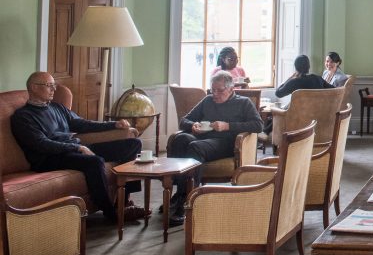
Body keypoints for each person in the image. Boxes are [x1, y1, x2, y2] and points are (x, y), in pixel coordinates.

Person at [11, 71, 146, 222]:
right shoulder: (22, 117)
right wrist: (76, 148)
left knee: (133, 145)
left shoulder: (57, 108)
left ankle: (123, 201)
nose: (53, 89)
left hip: (75, 149)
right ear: (34, 87)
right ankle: (111, 214)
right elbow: (42, 144)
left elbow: (82, 124)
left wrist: (114, 124)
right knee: (95, 161)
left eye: (53, 85)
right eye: (49, 86)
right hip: (49, 159)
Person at [166, 71, 263, 225]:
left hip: (226, 142)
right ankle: (180, 192)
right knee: (180, 139)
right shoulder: (208, 100)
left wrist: (227, 126)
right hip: (203, 138)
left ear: (231, 89)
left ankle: (188, 200)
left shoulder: (243, 103)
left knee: (194, 147)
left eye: (220, 90)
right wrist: (193, 125)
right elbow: (184, 120)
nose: (215, 94)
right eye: (213, 90)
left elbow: (258, 125)